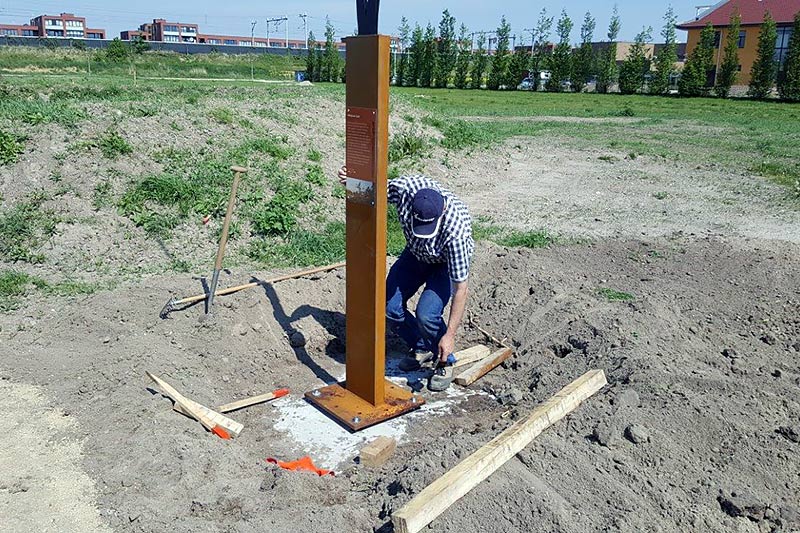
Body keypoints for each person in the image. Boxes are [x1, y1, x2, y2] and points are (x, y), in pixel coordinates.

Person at [339, 167, 474, 391]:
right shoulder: (404, 189)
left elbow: (461, 289)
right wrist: (351, 181)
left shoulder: (457, 233)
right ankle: (422, 347)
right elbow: (373, 191)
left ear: (441, 213)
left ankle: (444, 360)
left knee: (427, 315)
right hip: (415, 254)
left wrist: (449, 335)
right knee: (387, 306)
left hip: (443, 263)